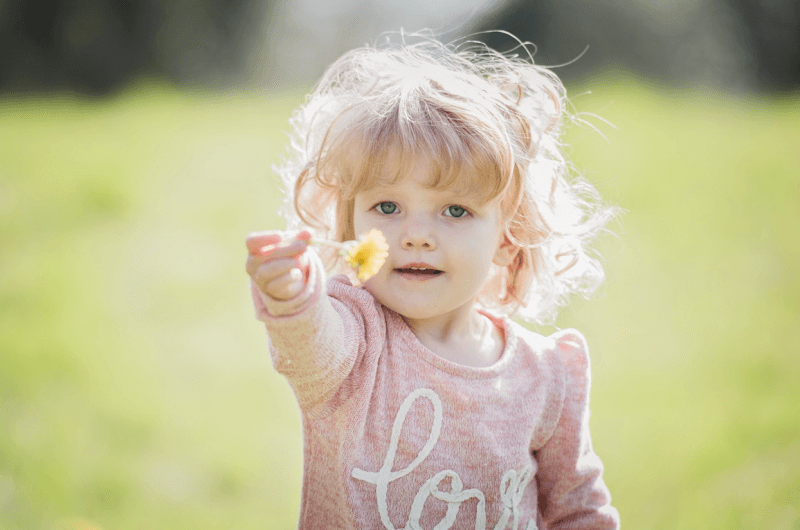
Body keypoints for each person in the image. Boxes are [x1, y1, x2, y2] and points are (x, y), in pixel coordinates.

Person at [245, 32, 621, 530]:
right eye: (387, 207)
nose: (417, 235)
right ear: (350, 225)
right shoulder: (355, 339)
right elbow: (312, 344)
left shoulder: (547, 375)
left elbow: (579, 511)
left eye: (456, 210)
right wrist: (294, 297)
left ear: (507, 240)